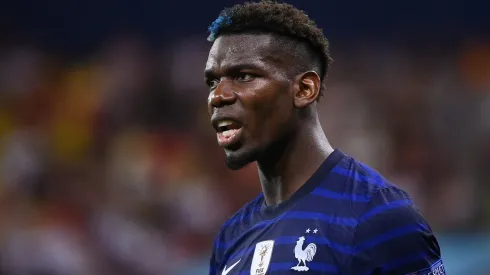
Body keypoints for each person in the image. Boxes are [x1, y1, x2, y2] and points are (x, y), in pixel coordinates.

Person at [204, 1, 444, 274]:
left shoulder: (378, 217)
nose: (218, 96)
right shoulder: (231, 237)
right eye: (212, 82)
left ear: (304, 89)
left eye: (244, 76)